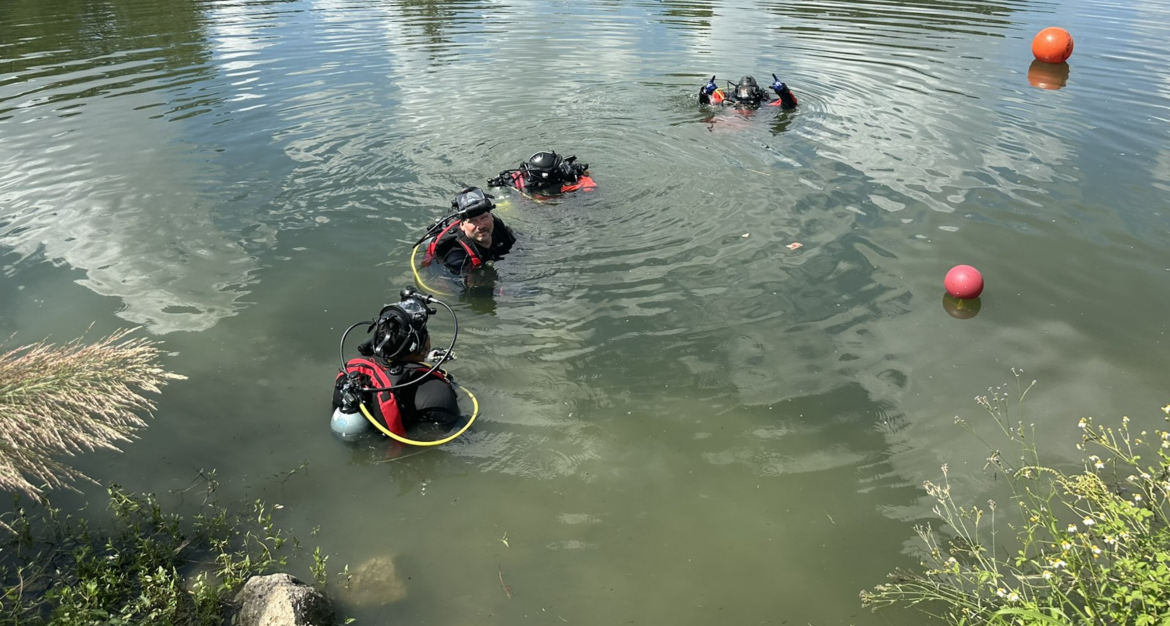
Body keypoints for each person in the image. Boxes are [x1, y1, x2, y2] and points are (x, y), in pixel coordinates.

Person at [332, 289, 461, 440]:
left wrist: (425, 358)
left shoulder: (351, 372)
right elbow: (454, 436)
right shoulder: (438, 393)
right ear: (418, 345)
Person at [424, 187, 517, 275]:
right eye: (473, 221)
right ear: (462, 226)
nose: (481, 226)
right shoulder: (457, 258)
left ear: (491, 217)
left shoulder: (499, 229)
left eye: (484, 218)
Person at [487, 150, 596, 195]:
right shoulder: (554, 187)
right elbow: (590, 188)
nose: (565, 170)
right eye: (560, 168)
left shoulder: (528, 174)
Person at [700, 74, 798, 109]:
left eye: (750, 91)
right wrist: (705, 93)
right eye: (743, 91)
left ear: (756, 92)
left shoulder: (763, 102)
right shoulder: (729, 98)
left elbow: (789, 106)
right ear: (737, 90)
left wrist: (783, 92)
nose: (745, 94)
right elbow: (704, 104)